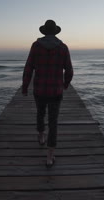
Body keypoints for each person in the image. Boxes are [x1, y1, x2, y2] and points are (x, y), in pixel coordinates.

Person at [22, 19, 73, 168]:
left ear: (44, 31)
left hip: (39, 89)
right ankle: (50, 155)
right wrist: (65, 84)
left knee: (40, 113)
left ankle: (41, 135)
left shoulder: (36, 46)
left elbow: (28, 68)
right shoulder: (63, 48)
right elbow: (69, 70)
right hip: (55, 91)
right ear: (55, 32)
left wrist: (25, 87)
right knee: (53, 122)